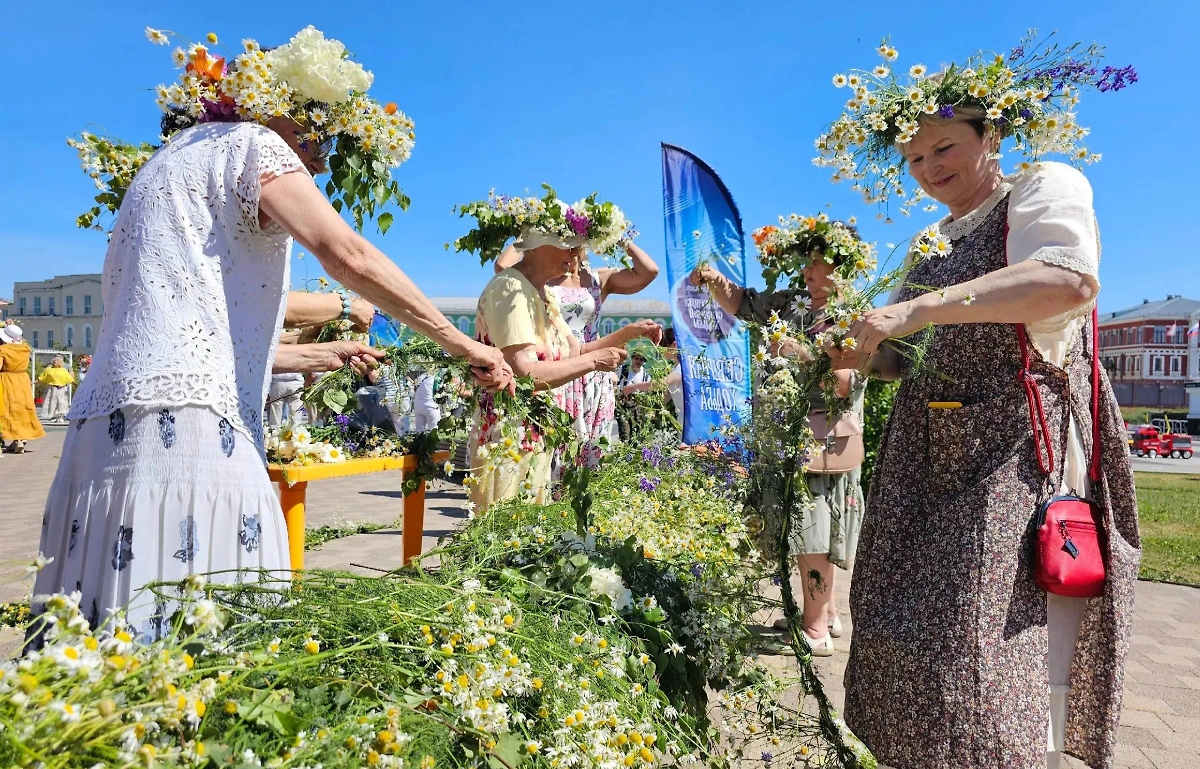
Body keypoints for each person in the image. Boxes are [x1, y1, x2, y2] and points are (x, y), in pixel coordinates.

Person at [32, 26, 513, 638]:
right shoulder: (254, 144)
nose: (320, 161)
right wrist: (463, 343)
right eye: (320, 140)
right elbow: (348, 255)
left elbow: (187, 324)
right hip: (190, 433)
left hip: (105, 424)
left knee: (102, 622)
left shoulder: (164, 167)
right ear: (285, 115)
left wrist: (311, 355)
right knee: (205, 618)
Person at [816, 45, 1139, 769]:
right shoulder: (931, 241)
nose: (929, 169)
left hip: (1013, 453)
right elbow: (910, 358)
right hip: (929, 458)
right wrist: (857, 349)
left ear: (990, 137)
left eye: (944, 146)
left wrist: (917, 310)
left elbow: (1065, 283)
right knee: (903, 636)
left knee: (983, 643)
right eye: (914, 159)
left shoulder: (1041, 187)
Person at [691, 231, 868, 657]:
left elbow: (844, 384)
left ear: (841, 268)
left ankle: (814, 628)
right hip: (790, 436)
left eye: (816, 263)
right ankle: (822, 611)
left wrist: (800, 352)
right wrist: (714, 279)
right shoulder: (790, 303)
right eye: (805, 262)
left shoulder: (855, 316)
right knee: (810, 530)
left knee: (814, 535)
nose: (806, 271)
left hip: (824, 442)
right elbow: (745, 303)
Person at [470, 240, 627, 512]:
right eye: (568, 245)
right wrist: (593, 362)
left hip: (536, 431)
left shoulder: (545, 295)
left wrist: (630, 333)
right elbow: (525, 372)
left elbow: (577, 350)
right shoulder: (510, 288)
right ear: (539, 244)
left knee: (528, 534)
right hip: (507, 435)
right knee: (503, 531)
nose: (575, 254)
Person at [496, 242, 662, 466]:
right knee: (553, 451)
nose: (571, 249)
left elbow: (649, 271)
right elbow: (502, 266)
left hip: (593, 370)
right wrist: (531, 228)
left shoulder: (597, 278)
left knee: (590, 453)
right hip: (553, 369)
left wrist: (618, 236)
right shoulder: (541, 279)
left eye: (575, 242)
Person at [0, 324, 45, 454]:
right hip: (22, 379)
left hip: (7, 378)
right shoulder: (25, 349)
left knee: (7, 409)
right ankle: (20, 440)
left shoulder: (3, 349)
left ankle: (12, 438)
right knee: (22, 409)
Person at [38, 355, 76, 424]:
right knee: (52, 402)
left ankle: (61, 416)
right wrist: (33, 382)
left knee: (62, 402)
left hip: (62, 388)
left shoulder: (63, 370)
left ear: (60, 363)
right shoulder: (48, 369)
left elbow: (70, 379)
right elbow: (41, 377)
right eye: (54, 361)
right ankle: (52, 416)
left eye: (57, 361)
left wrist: (76, 385)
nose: (55, 362)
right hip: (52, 388)